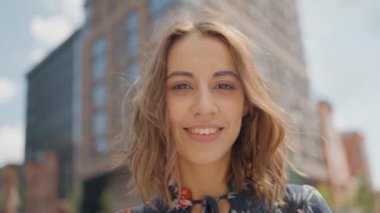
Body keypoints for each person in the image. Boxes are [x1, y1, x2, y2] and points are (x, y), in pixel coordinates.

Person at [118, 16, 331, 213]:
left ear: (246, 103)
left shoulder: (302, 206)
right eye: (182, 85)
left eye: (224, 85)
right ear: (160, 103)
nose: (204, 106)